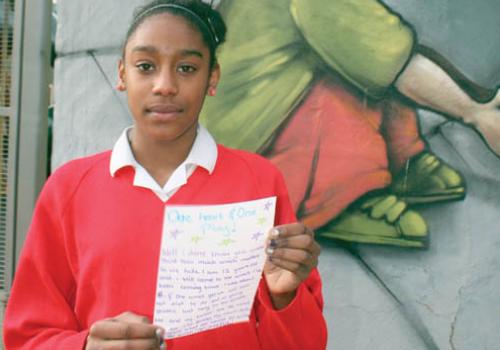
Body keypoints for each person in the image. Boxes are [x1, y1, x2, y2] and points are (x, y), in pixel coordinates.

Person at [3, 1, 327, 349]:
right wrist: (86, 346)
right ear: (122, 74)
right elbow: (27, 337)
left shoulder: (259, 182)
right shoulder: (69, 189)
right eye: (145, 66)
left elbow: (305, 344)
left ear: (212, 78)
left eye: (187, 68)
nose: (165, 85)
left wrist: (284, 297)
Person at [200, 0, 500, 247]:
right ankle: (343, 199)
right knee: (341, 94)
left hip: (262, 108)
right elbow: (393, 60)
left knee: (363, 73)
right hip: (255, 149)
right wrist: (475, 113)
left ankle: (402, 164)